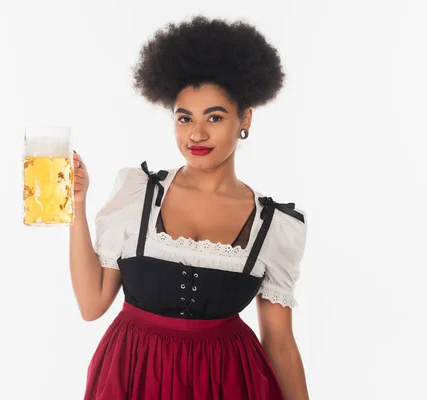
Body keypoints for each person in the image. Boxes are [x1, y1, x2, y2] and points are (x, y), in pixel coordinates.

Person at [69, 15, 309, 400]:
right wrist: (77, 205)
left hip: (227, 383)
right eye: (185, 118)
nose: (197, 134)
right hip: (133, 373)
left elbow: (279, 343)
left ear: (244, 118)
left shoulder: (274, 226)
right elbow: (92, 304)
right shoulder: (137, 194)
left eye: (214, 117)